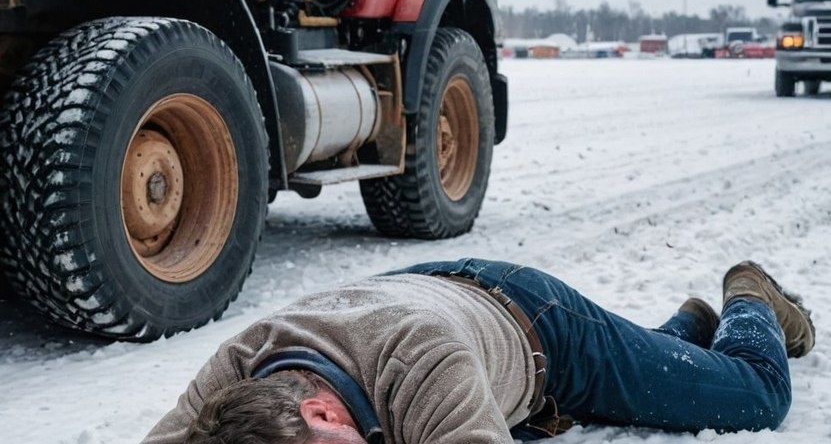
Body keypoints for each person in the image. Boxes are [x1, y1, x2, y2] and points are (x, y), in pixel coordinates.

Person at [141, 258, 815, 444]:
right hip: (419, 294)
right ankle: (678, 335)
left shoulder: (420, 363)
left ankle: (746, 295)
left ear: (323, 413)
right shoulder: (238, 381)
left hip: (540, 324)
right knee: (651, 379)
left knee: (756, 396)